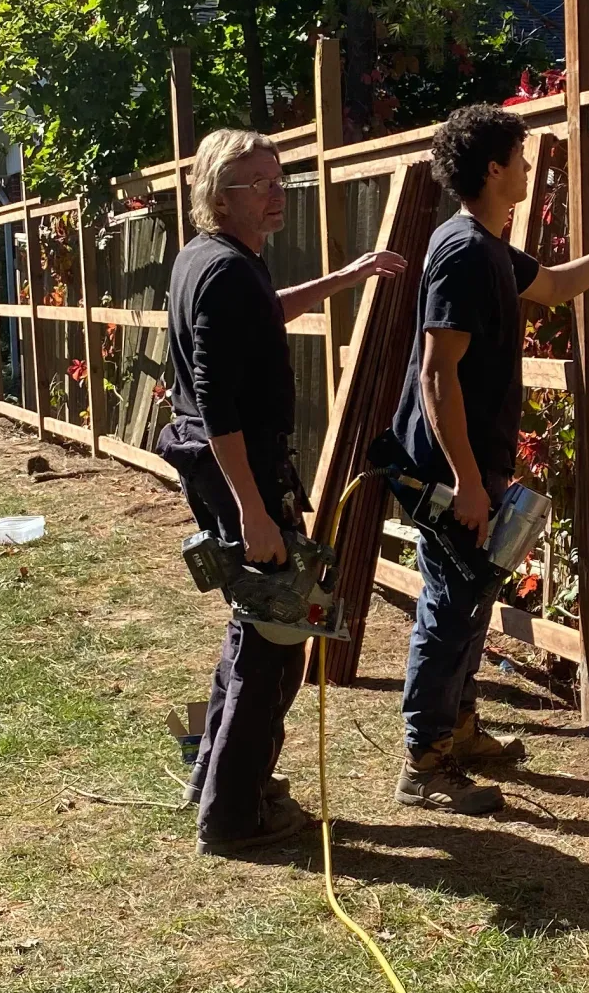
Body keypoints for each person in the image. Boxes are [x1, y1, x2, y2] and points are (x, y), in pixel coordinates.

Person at [391, 101, 589, 815]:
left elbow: (558, 285)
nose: (527, 162)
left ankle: (461, 728)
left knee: (471, 604)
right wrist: (468, 483)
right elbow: (435, 373)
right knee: (450, 612)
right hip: (453, 475)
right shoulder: (461, 254)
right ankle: (425, 763)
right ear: (492, 169)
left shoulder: (487, 249)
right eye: (519, 154)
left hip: (471, 471)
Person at [162, 128, 407, 857]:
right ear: (219, 194)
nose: (278, 194)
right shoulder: (229, 272)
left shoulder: (211, 262)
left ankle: (217, 776)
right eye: (259, 183)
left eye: (279, 178)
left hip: (225, 473)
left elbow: (264, 308)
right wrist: (254, 510)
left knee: (254, 626)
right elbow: (216, 402)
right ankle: (235, 814)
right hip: (240, 475)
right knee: (276, 642)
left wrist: (348, 276)